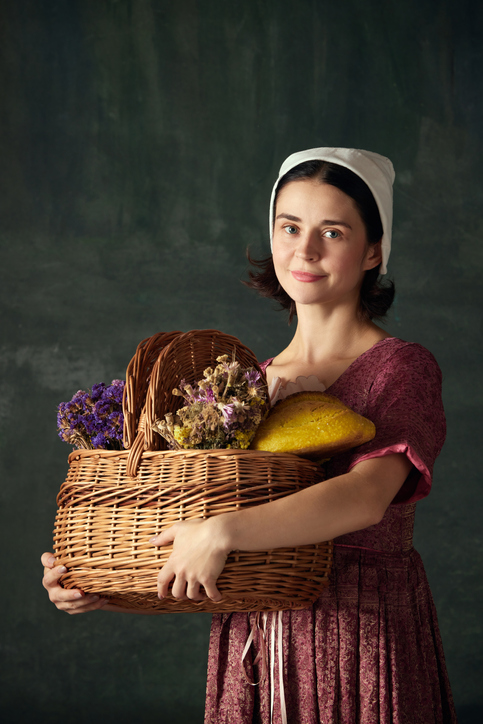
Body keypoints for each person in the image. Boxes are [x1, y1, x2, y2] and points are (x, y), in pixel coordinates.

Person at [42, 147, 457, 723]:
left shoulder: (401, 368)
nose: (304, 250)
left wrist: (224, 530)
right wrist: (99, 581)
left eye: (331, 232)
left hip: (360, 630)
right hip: (251, 643)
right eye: (289, 227)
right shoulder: (240, 388)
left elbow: (366, 498)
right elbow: (194, 536)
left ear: (373, 251)